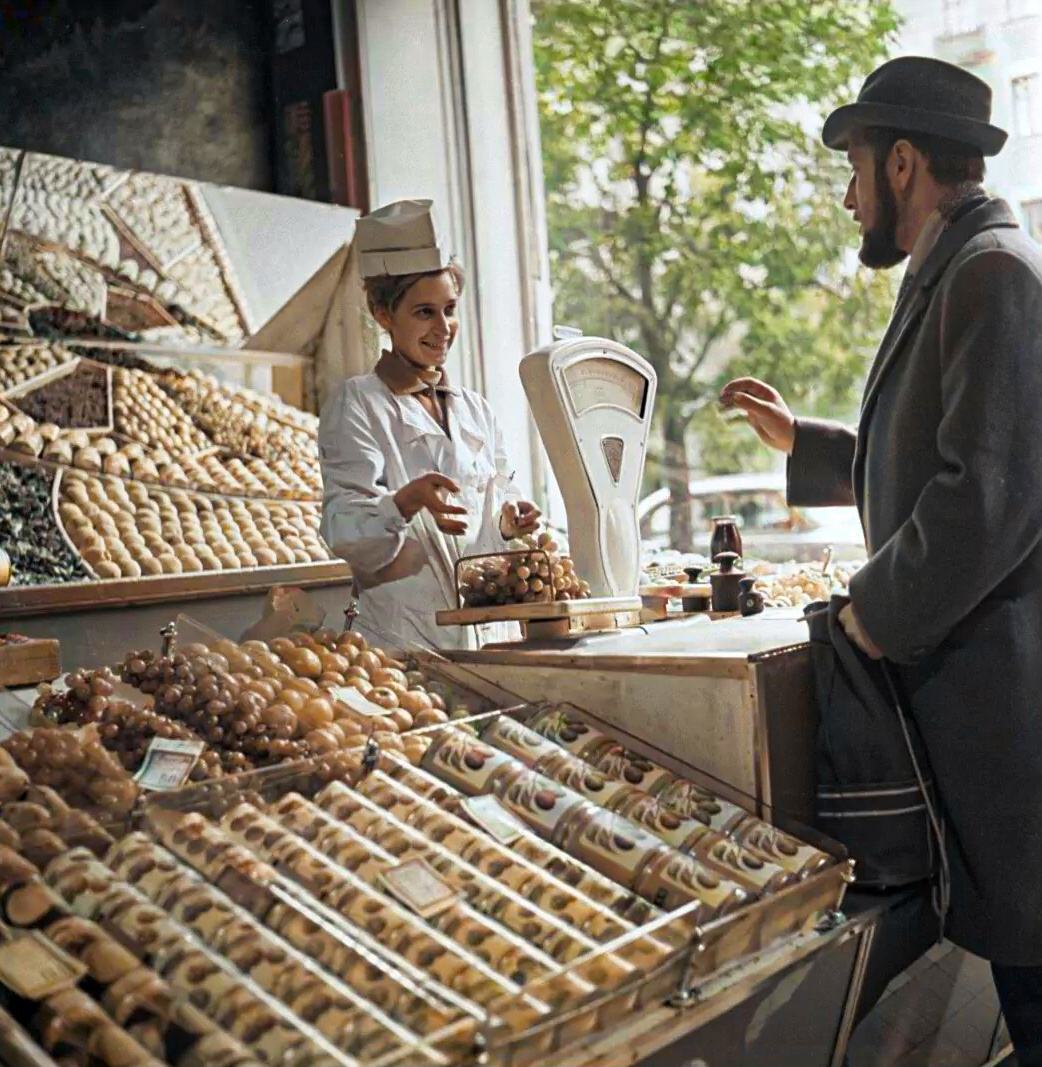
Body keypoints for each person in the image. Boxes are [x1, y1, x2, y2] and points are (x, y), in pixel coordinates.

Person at [721, 57, 1042, 1065]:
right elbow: (942, 452)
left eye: (855, 167)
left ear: (902, 163)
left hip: (1012, 708)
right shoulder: (959, 267)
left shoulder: (993, 273)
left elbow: (987, 495)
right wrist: (806, 447)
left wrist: (870, 611)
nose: (848, 193)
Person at [320, 200, 540, 651]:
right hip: (405, 645)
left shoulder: (475, 409)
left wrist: (511, 521)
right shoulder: (358, 403)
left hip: (489, 640)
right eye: (424, 312)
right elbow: (343, 531)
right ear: (383, 315)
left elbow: (495, 501)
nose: (444, 328)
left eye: (450, 309)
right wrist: (402, 503)